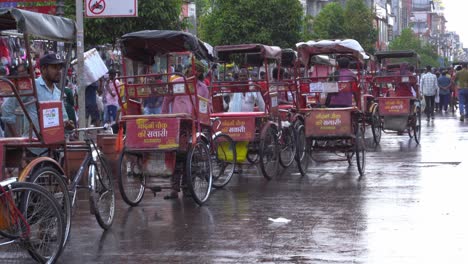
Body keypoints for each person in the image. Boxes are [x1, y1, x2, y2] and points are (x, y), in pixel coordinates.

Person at [1, 53, 73, 155]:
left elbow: (63, 120)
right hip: (33, 149)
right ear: (43, 69)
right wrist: (17, 139)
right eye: (54, 67)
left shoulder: (58, 93)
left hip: (53, 150)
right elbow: (6, 108)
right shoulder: (32, 86)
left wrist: (67, 126)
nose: (59, 71)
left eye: (60, 68)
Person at [161, 60, 209, 199]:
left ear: (199, 73)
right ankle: (174, 189)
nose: (192, 71)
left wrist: (202, 121)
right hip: (177, 123)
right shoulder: (177, 83)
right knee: (176, 155)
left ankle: (188, 187)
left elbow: (205, 107)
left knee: (191, 155)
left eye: (196, 70)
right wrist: (164, 117)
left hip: (193, 124)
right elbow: (167, 100)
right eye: (190, 68)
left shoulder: (202, 88)